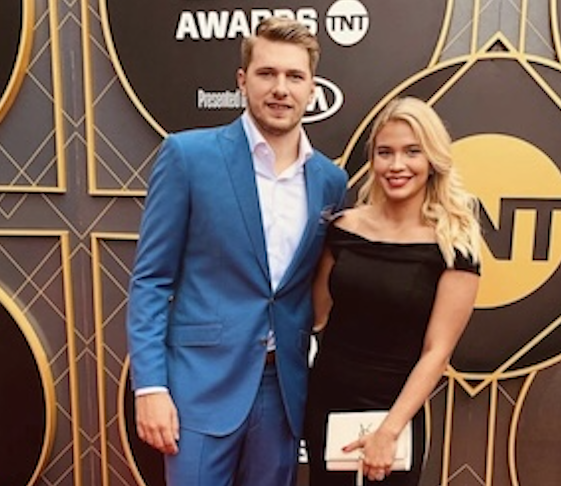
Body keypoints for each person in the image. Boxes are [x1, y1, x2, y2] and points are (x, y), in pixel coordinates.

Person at [125, 16, 348, 486]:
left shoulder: (330, 179)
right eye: (267, 73)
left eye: (295, 76)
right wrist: (150, 387)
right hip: (199, 385)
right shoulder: (188, 156)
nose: (281, 88)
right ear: (243, 81)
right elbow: (151, 280)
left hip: (283, 389)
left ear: (312, 89)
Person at [304, 96, 481, 485]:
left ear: (432, 159)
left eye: (412, 152)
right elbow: (315, 316)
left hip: (396, 412)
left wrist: (389, 430)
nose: (397, 165)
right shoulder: (343, 229)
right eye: (385, 152)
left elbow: (437, 351)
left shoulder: (454, 245)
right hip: (327, 402)